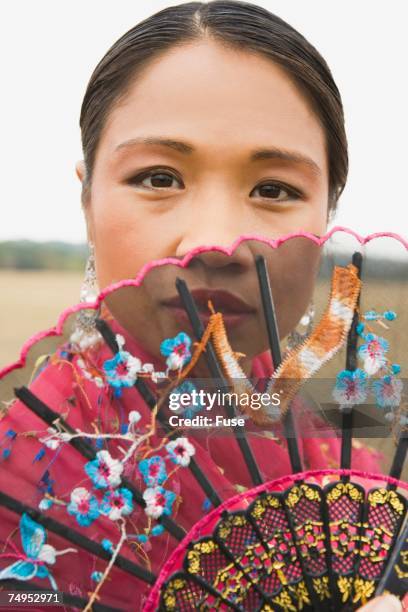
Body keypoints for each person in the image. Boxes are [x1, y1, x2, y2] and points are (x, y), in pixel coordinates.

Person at [0, 2, 402, 610]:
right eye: (158, 178)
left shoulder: (348, 457)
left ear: (326, 221)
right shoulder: (21, 481)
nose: (215, 243)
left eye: (274, 190)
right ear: (87, 200)